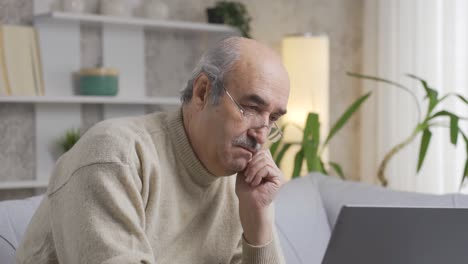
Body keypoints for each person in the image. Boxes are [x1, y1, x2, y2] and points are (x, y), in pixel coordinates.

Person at [16, 36, 290, 264]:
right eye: (251, 108)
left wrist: (258, 222)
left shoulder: (241, 184)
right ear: (203, 92)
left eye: (273, 119)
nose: (261, 134)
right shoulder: (115, 155)